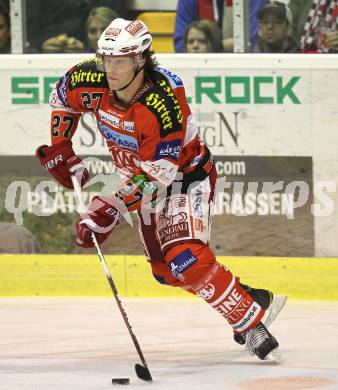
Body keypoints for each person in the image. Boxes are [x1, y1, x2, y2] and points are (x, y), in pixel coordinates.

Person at [35, 18, 286, 361]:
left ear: (141, 59)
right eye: (107, 59)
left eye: (120, 60)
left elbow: (160, 175)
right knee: (166, 273)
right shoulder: (90, 77)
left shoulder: (162, 102)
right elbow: (61, 97)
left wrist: (109, 207)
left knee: (184, 258)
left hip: (185, 179)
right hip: (141, 183)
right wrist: (61, 145)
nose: (111, 68)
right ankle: (247, 297)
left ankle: (251, 325)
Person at [174, 0, 268, 52]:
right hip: (202, 66)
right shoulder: (188, 1)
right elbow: (180, 45)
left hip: (244, 64)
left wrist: (215, 45)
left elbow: (255, 41)